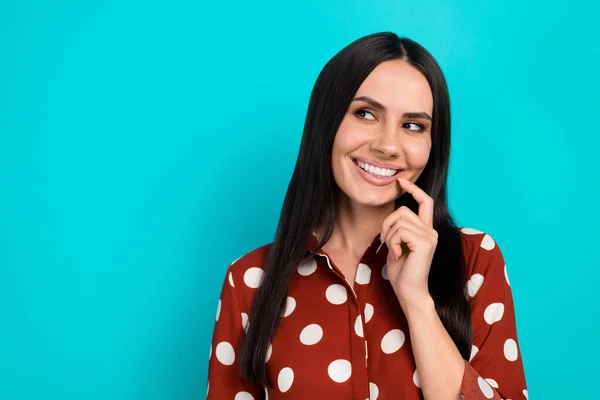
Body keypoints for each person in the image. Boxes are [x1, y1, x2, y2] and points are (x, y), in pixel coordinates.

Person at [206, 32, 528, 400]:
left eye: (413, 125)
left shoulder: (474, 260)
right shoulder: (249, 282)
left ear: (431, 145)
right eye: (365, 113)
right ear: (326, 123)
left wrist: (416, 300)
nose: (388, 146)